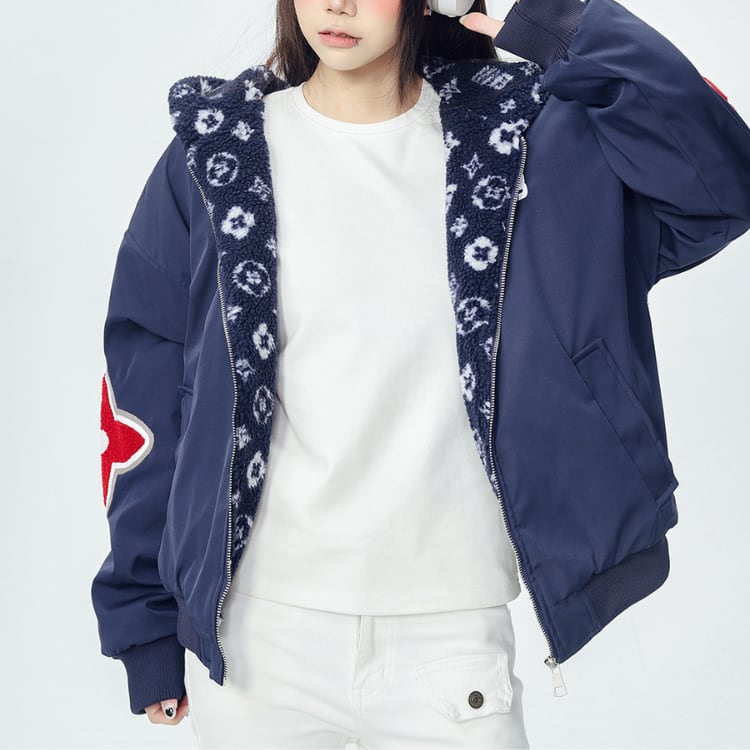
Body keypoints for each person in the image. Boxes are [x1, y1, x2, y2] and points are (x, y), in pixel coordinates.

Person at [92, 0, 750, 747]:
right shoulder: (217, 157)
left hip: (451, 640)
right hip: (258, 642)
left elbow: (719, 180)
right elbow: (146, 396)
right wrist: (144, 623)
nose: (337, 4)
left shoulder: (528, 144)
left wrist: (551, 21)